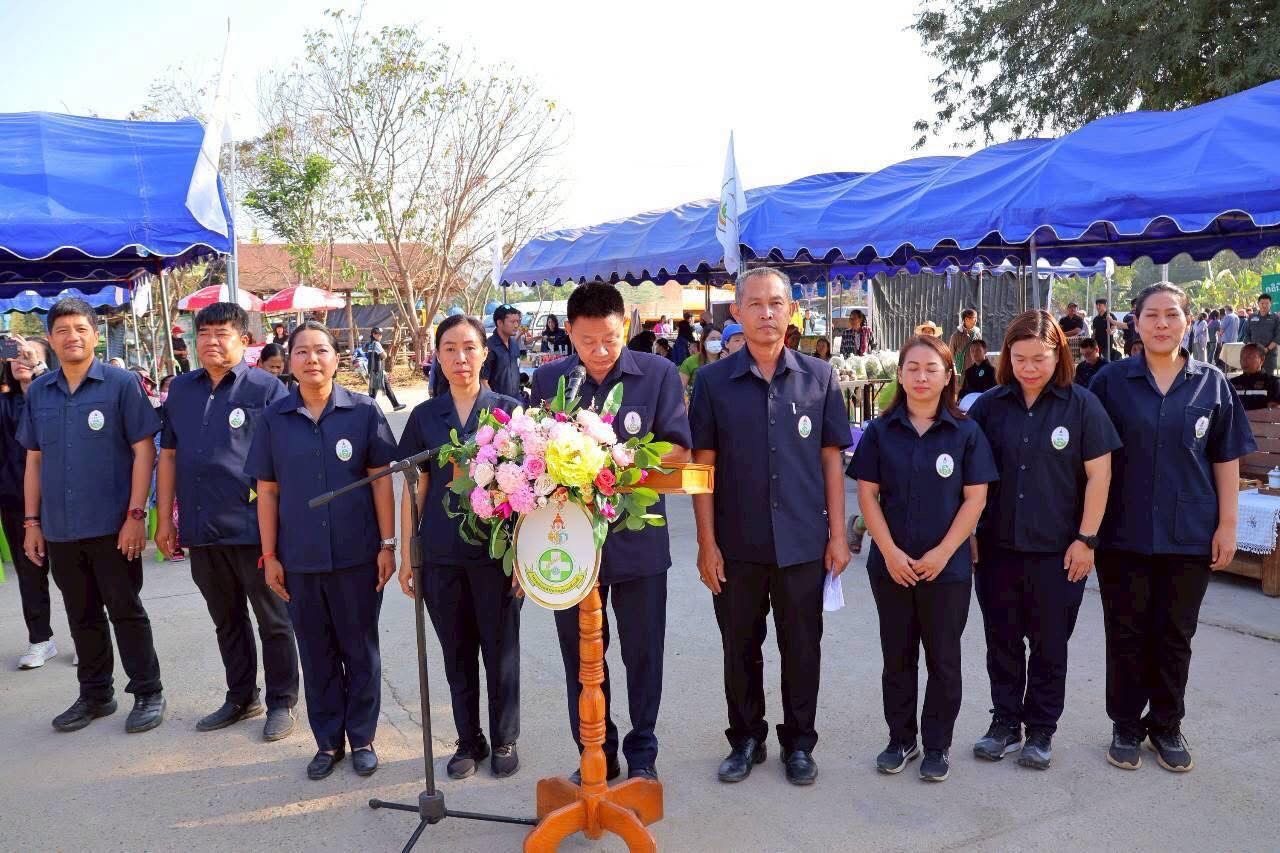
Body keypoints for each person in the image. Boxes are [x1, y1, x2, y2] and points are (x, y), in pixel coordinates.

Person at [690, 268, 851, 787]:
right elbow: (701, 470)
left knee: (803, 647)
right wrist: (706, 542)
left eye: (776, 303)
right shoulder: (713, 382)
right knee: (739, 646)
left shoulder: (819, 377)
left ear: (790, 311)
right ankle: (746, 739)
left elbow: (832, 460)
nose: (766, 313)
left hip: (804, 542)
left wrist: (838, 535)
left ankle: (799, 744)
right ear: (736, 312)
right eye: (754, 304)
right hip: (736, 544)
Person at [1088, 282, 1255, 773]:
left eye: (1172, 315)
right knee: (1125, 630)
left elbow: (1226, 459)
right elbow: (1091, 459)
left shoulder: (1212, 384)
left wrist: (1228, 525)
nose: (1162, 324)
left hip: (1189, 532)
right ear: (1134, 324)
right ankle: (1125, 722)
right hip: (1123, 531)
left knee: (1175, 634)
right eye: (1151, 315)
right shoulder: (1110, 383)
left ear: (1187, 322)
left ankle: (1166, 725)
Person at [529, 282, 691, 783]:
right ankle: (594, 749)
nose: (599, 352)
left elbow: (678, 449)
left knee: (643, 650)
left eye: (610, 339)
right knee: (580, 654)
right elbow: (532, 454)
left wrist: (614, 461)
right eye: (586, 342)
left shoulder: (659, 374)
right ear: (569, 335)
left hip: (638, 541)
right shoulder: (550, 380)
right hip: (570, 546)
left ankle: (643, 751)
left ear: (626, 327)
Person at [966, 311, 1121, 770]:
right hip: (996, 548)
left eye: (1040, 358)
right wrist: (969, 533)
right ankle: (1004, 723)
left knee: (1051, 645)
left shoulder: (1082, 405)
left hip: (1059, 552)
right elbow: (969, 477)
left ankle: (1040, 731)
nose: (1029, 367)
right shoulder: (989, 407)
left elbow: (1100, 475)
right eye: (1019, 358)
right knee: (1003, 641)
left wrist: (1087, 539)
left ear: (1059, 355)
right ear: (1005, 358)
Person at [245, 321, 399, 780]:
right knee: (316, 653)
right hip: (300, 560)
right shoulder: (273, 419)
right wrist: (270, 556)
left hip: (357, 556)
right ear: (289, 363)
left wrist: (387, 545)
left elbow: (381, 483)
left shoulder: (364, 412)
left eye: (322, 351)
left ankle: (364, 738)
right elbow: (267, 492)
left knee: (361, 649)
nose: (312, 359)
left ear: (337, 358)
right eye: (302, 352)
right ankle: (328, 743)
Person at [848, 334, 998, 782]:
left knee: (943, 660)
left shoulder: (966, 431)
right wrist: (890, 552)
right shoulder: (879, 431)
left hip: (946, 571)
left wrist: (942, 553)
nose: (921, 376)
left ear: (948, 376)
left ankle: (937, 745)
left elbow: (975, 499)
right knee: (897, 658)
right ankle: (901, 739)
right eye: (912, 368)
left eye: (931, 368)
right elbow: (867, 496)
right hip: (890, 568)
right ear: (899, 374)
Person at [19, 298, 166, 733]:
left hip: (113, 526)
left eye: (80, 328)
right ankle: (96, 694)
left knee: (125, 609)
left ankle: (148, 691)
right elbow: (34, 462)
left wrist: (137, 515)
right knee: (80, 614)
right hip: (61, 529)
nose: (72, 336)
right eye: (62, 330)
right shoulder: (39, 393)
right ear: (49, 339)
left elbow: (145, 453)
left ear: (95, 336)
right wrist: (32, 523)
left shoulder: (120, 384)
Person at [155, 302, 300, 742]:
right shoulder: (180, 390)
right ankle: (241, 696)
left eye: (222, 334)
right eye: (204, 334)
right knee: (226, 618)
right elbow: (169, 455)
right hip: (201, 527)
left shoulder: (267, 389)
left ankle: (282, 701)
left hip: (254, 528)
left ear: (244, 341)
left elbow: (284, 461)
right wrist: (165, 519)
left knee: (273, 619)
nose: (212, 342)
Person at [397, 314, 523, 780]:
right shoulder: (425, 416)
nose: (460, 357)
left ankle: (505, 737)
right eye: (450, 348)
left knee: (501, 648)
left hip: (496, 556)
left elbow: (530, 489)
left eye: (469, 347)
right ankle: (469, 739)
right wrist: (410, 551)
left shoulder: (508, 410)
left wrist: (523, 559)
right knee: (457, 652)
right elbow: (415, 489)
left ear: (485, 352)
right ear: (438, 356)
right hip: (442, 554)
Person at [1, 336, 59, 669]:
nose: (21, 359)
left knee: (73, 574)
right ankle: (40, 639)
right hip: (15, 501)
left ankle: (87, 636)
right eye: (15, 355)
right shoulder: (4, 403)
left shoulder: (55, 399)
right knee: (29, 572)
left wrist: (39, 372)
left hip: (59, 497)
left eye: (31, 355)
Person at [483, 305, 524, 400]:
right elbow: (483, 381)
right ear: (500, 323)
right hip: (498, 405)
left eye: (518, 321)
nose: (516, 325)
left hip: (516, 401)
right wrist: (495, 403)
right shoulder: (489, 347)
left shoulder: (514, 343)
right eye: (512, 322)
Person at [364, 326, 405, 412]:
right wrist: (384, 354)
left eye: (381, 334)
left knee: (380, 389)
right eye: (378, 334)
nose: (380, 336)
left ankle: (395, 405)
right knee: (374, 392)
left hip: (373, 370)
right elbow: (384, 355)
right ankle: (367, 408)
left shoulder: (369, 344)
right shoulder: (377, 344)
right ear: (373, 334)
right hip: (378, 370)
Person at [1229, 343, 1280, 410]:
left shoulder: (1273, 382)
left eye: (1249, 357)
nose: (1244, 361)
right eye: (1242, 357)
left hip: (1261, 420)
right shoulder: (1232, 383)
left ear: (1261, 360)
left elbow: (1273, 411)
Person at [1243, 293, 1280, 374]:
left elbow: (1278, 336)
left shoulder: (1276, 318)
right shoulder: (1252, 317)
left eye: (1267, 303)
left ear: (1271, 304)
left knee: (1268, 380)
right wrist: (1251, 347)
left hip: (1269, 355)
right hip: (1253, 355)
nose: (1264, 306)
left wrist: (1267, 349)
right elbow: (1246, 334)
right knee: (1251, 379)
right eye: (1262, 303)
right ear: (1258, 304)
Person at [948, 308, 981, 377]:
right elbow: (951, 354)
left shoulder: (978, 334)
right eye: (974, 318)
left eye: (976, 318)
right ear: (966, 319)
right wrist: (954, 370)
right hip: (961, 372)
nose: (976, 320)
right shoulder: (956, 336)